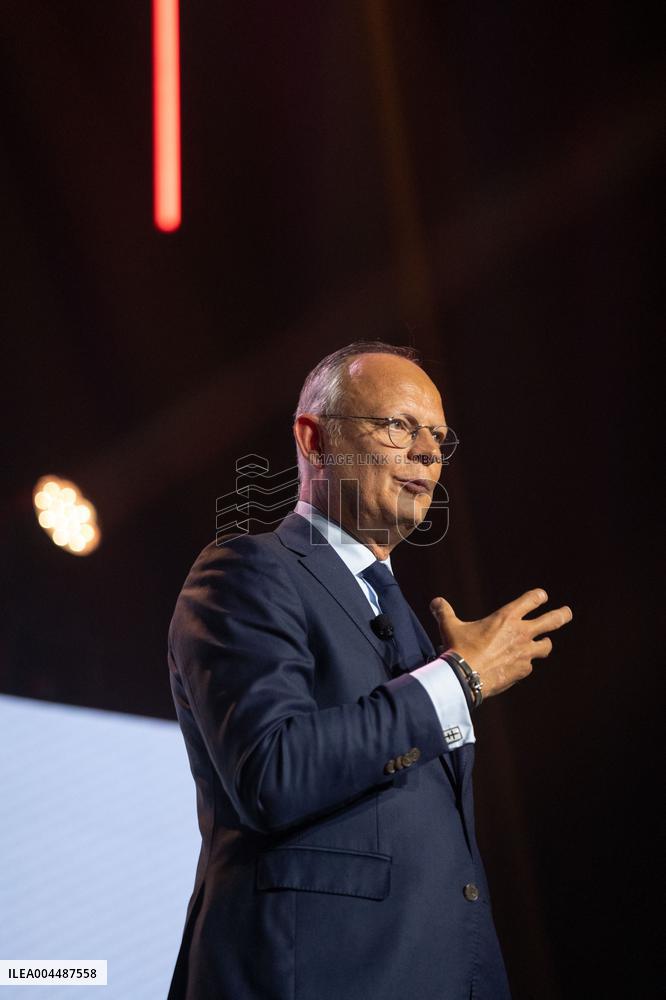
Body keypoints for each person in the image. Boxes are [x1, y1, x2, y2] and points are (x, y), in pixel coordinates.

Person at [167, 341, 572, 1000]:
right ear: (314, 439)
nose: (425, 453)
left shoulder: (408, 624)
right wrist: (457, 680)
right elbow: (272, 771)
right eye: (397, 426)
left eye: (438, 438)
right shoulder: (247, 571)